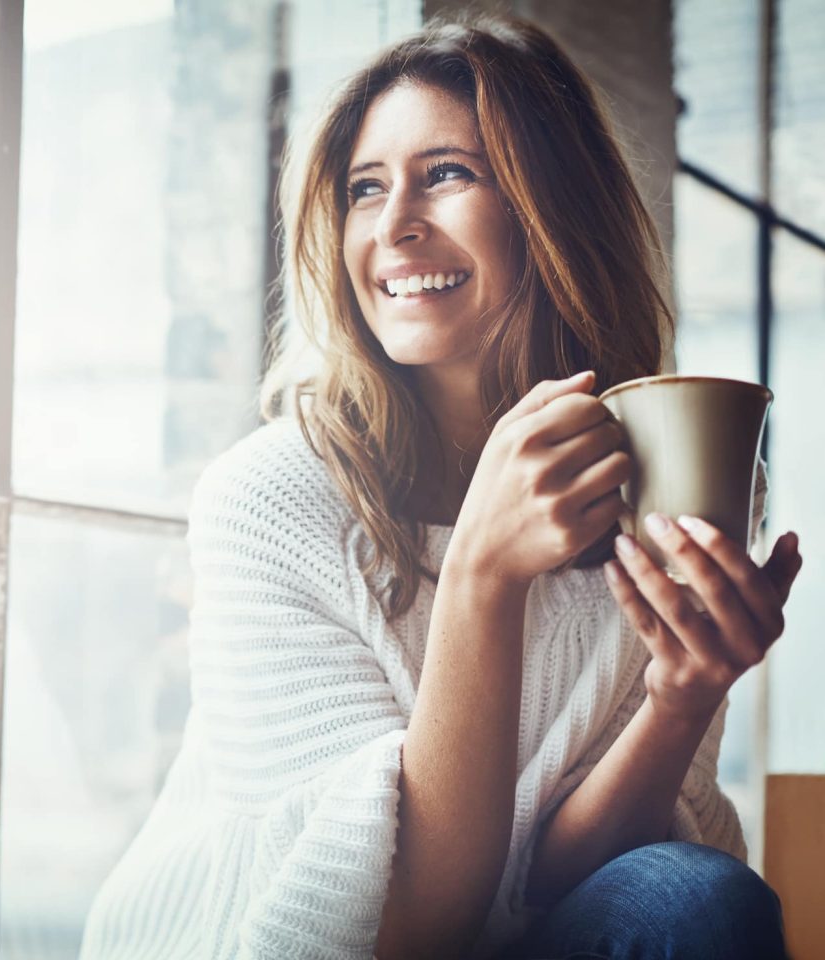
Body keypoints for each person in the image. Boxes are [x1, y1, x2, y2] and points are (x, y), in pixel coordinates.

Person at [78, 15, 803, 960]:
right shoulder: (269, 500)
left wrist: (681, 694)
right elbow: (404, 929)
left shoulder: (655, 489)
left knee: (693, 898)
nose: (393, 225)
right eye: (365, 188)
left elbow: (553, 887)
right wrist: (481, 576)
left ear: (555, 212)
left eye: (448, 173)